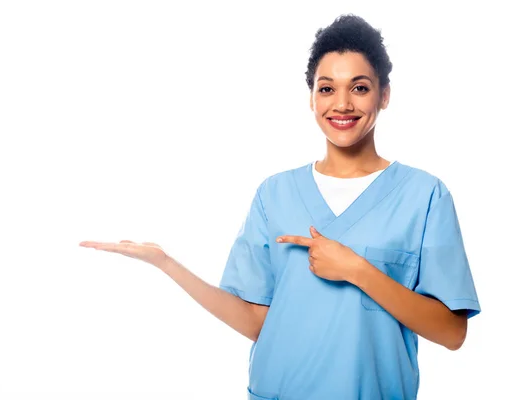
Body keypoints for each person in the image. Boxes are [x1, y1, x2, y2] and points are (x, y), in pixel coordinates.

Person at [79, 14, 481, 400]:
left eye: (359, 87)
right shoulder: (275, 194)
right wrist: (168, 264)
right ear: (311, 98)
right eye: (326, 88)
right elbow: (256, 322)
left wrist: (358, 270)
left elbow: (452, 333)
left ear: (385, 95)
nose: (341, 104)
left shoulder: (424, 196)